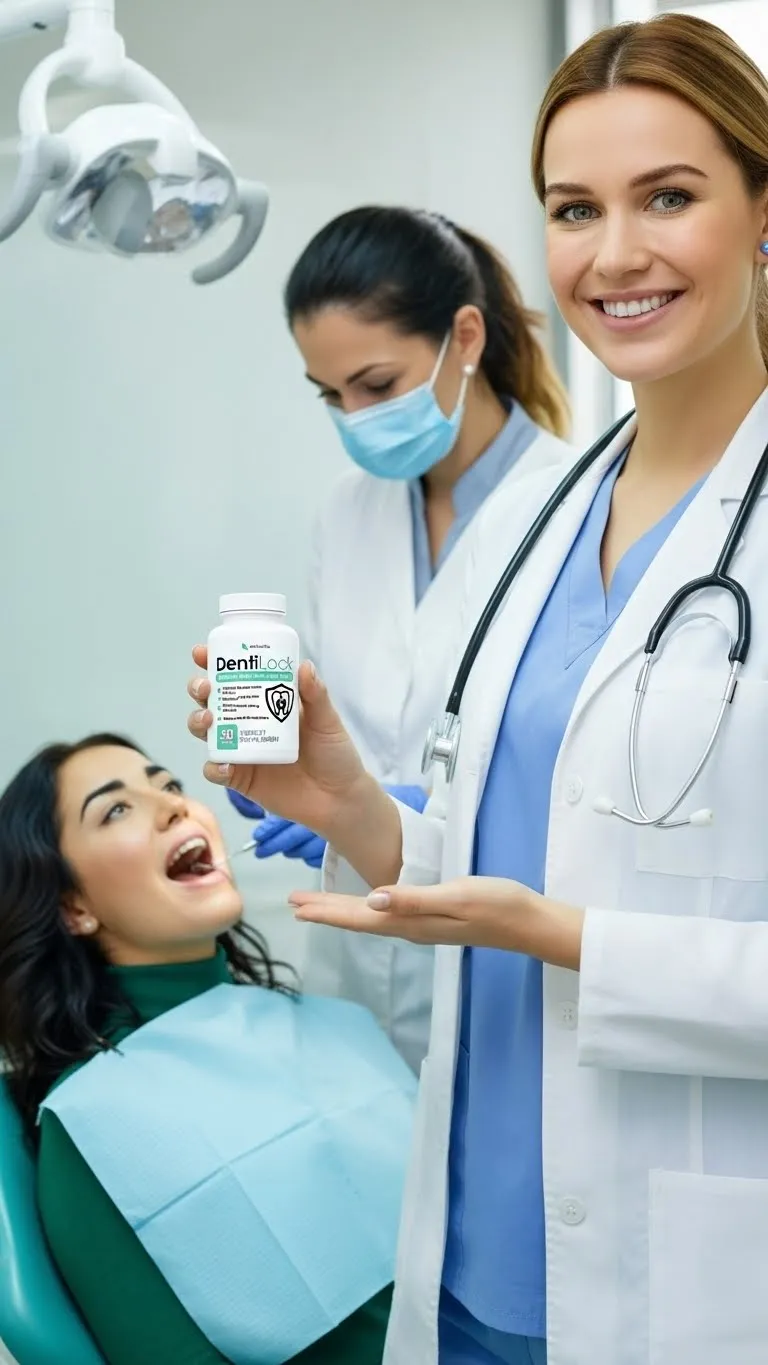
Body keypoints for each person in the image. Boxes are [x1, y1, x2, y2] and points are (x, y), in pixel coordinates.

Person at [189, 12, 768, 1364]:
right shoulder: (557, 514)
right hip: (468, 1257)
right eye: (574, 208)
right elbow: (523, 845)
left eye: (667, 197)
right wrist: (353, 806)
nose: (612, 254)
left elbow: (561, 906)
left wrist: (570, 940)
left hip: (689, 1277)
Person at [228, 205, 573, 1073]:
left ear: (465, 338)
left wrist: (418, 811)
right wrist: (288, 777)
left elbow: (584, 768)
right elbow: (337, 710)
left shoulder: (578, 502)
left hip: (501, 955)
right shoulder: (348, 512)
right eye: (331, 395)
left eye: (376, 385)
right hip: (349, 964)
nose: (354, 417)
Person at [0, 733, 415, 1365]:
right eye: (116, 809)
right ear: (73, 906)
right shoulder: (92, 1122)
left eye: (169, 786)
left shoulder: (335, 1022)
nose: (174, 806)